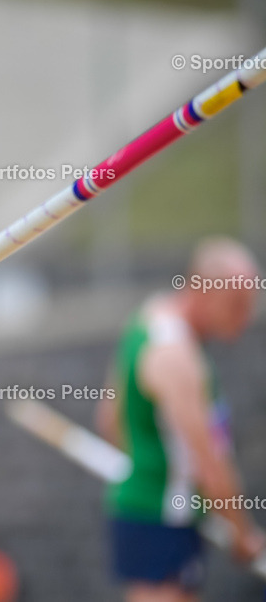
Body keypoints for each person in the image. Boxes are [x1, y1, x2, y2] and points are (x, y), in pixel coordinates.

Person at [96, 236, 265, 601]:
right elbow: (210, 464)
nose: (245, 318)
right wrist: (243, 532)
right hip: (164, 518)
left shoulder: (149, 316)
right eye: (236, 304)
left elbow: (109, 418)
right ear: (202, 290)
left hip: (147, 509)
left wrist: (146, 466)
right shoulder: (178, 358)